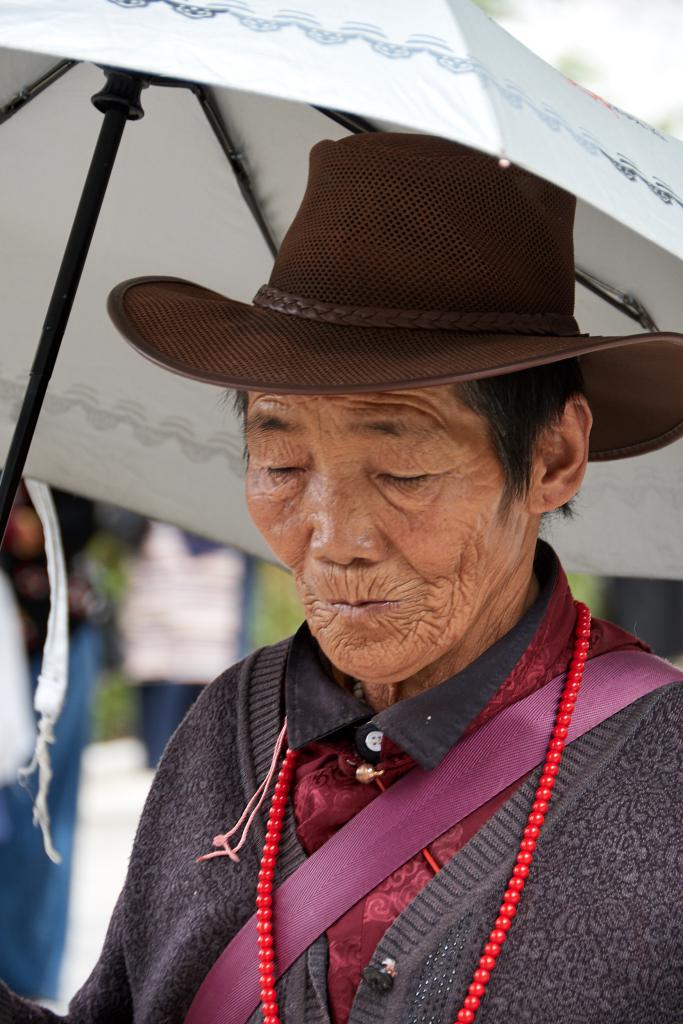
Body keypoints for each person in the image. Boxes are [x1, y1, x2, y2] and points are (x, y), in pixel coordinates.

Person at [2, 134, 682, 1023]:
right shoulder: (230, 730)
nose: (334, 537)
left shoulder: (660, 776)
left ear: (552, 457)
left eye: (401, 472)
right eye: (280, 463)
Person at [0, 488, 103, 1001]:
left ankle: (27, 986)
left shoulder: (53, 425)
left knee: (40, 821)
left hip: (50, 648)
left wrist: (26, 529)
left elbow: (93, 516)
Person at [119, 521, 249, 767]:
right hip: (161, 661)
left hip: (214, 654)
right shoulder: (148, 516)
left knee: (208, 762)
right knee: (160, 764)